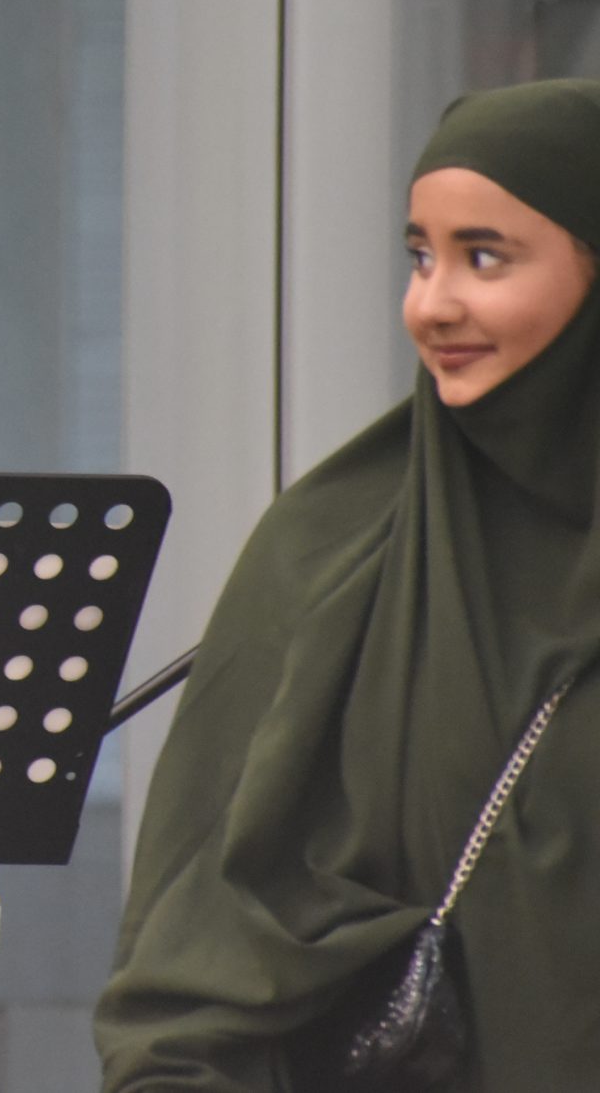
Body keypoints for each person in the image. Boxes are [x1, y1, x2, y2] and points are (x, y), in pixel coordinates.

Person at [95, 77, 600, 1090]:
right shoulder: (333, 550)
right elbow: (196, 954)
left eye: (484, 257)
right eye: (419, 257)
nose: (432, 304)